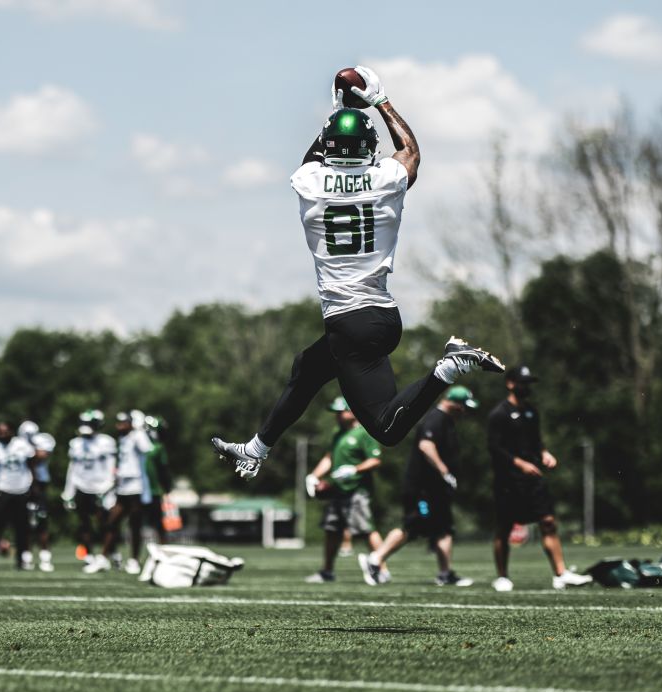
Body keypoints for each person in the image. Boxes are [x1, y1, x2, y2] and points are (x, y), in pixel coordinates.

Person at [211, 65, 504, 481]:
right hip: (378, 316)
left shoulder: (309, 183)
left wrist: (338, 109)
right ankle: (257, 448)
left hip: (350, 326)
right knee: (307, 369)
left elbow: (314, 157)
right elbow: (410, 152)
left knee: (387, 428)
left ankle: (448, 369)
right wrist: (380, 100)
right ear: (369, 148)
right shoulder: (385, 179)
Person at [360, 386, 478, 587]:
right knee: (412, 526)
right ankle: (375, 560)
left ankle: (445, 573)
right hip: (422, 488)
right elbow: (426, 446)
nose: (464, 411)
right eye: (463, 406)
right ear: (454, 403)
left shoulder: (447, 421)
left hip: (435, 489)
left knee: (444, 529)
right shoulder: (436, 419)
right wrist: (444, 472)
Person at [486, 366, 591, 591]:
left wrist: (544, 453)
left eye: (528, 383)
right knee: (504, 528)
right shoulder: (499, 414)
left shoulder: (532, 412)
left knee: (548, 522)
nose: (526, 388)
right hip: (508, 480)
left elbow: (537, 441)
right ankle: (502, 576)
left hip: (533, 479)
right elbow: (495, 448)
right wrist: (520, 464)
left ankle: (560, 573)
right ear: (510, 383)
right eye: (522, 383)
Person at [304, 397, 384, 583]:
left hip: (356, 489)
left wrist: (354, 470)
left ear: (352, 411)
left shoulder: (364, 433)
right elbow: (329, 457)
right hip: (337, 489)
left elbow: (375, 460)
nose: (337, 416)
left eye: (341, 412)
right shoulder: (338, 433)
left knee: (365, 530)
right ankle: (327, 571)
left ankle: (382, 569)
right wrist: (314, 476)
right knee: (331, 529)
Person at [87, 412, 152, 575]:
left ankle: (134, 560)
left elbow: (147, 449)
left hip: (136, 485)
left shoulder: (137, 436)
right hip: (123, 486)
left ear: (131, 424)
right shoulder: (123, 439)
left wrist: (139, 431)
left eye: (123, 423)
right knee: (111, 522)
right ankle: (103, 558)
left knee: (135, 525)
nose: (119, 426)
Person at [61, 410, 117, 565]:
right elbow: (72, 469)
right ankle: (89, 554)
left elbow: (111, 467)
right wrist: (68, 492)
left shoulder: (106, 442)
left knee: (105, 523)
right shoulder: (76, 443)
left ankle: (111, 552)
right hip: (81, 486)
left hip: (101, 487)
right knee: (83, 523)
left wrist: (108, 488)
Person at [0, 421, 37, 570]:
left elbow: (32, 464)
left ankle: (20, 561)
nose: (3, 435)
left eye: (5, 432)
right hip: (3, 491)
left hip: (21, 490)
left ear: (11, 431)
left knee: (21, 529)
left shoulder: (22, 445)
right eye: (0, 432)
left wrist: (33, 487)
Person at [19, 420, 57, 572]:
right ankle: (26, 557)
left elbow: (42, 455)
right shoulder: (18, 445)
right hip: (23, 486)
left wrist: (30, 454)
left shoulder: (43, 440)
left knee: (41, 522)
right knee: (25, 524)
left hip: (39, 485)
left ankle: (45, 558)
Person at [139, 412, 174, 545]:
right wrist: (167, 486)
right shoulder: (156, 447)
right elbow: (164, 470)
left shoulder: (157, 447)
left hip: (152, 490)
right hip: (140, 488)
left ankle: (163, 547)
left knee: (157, 521)